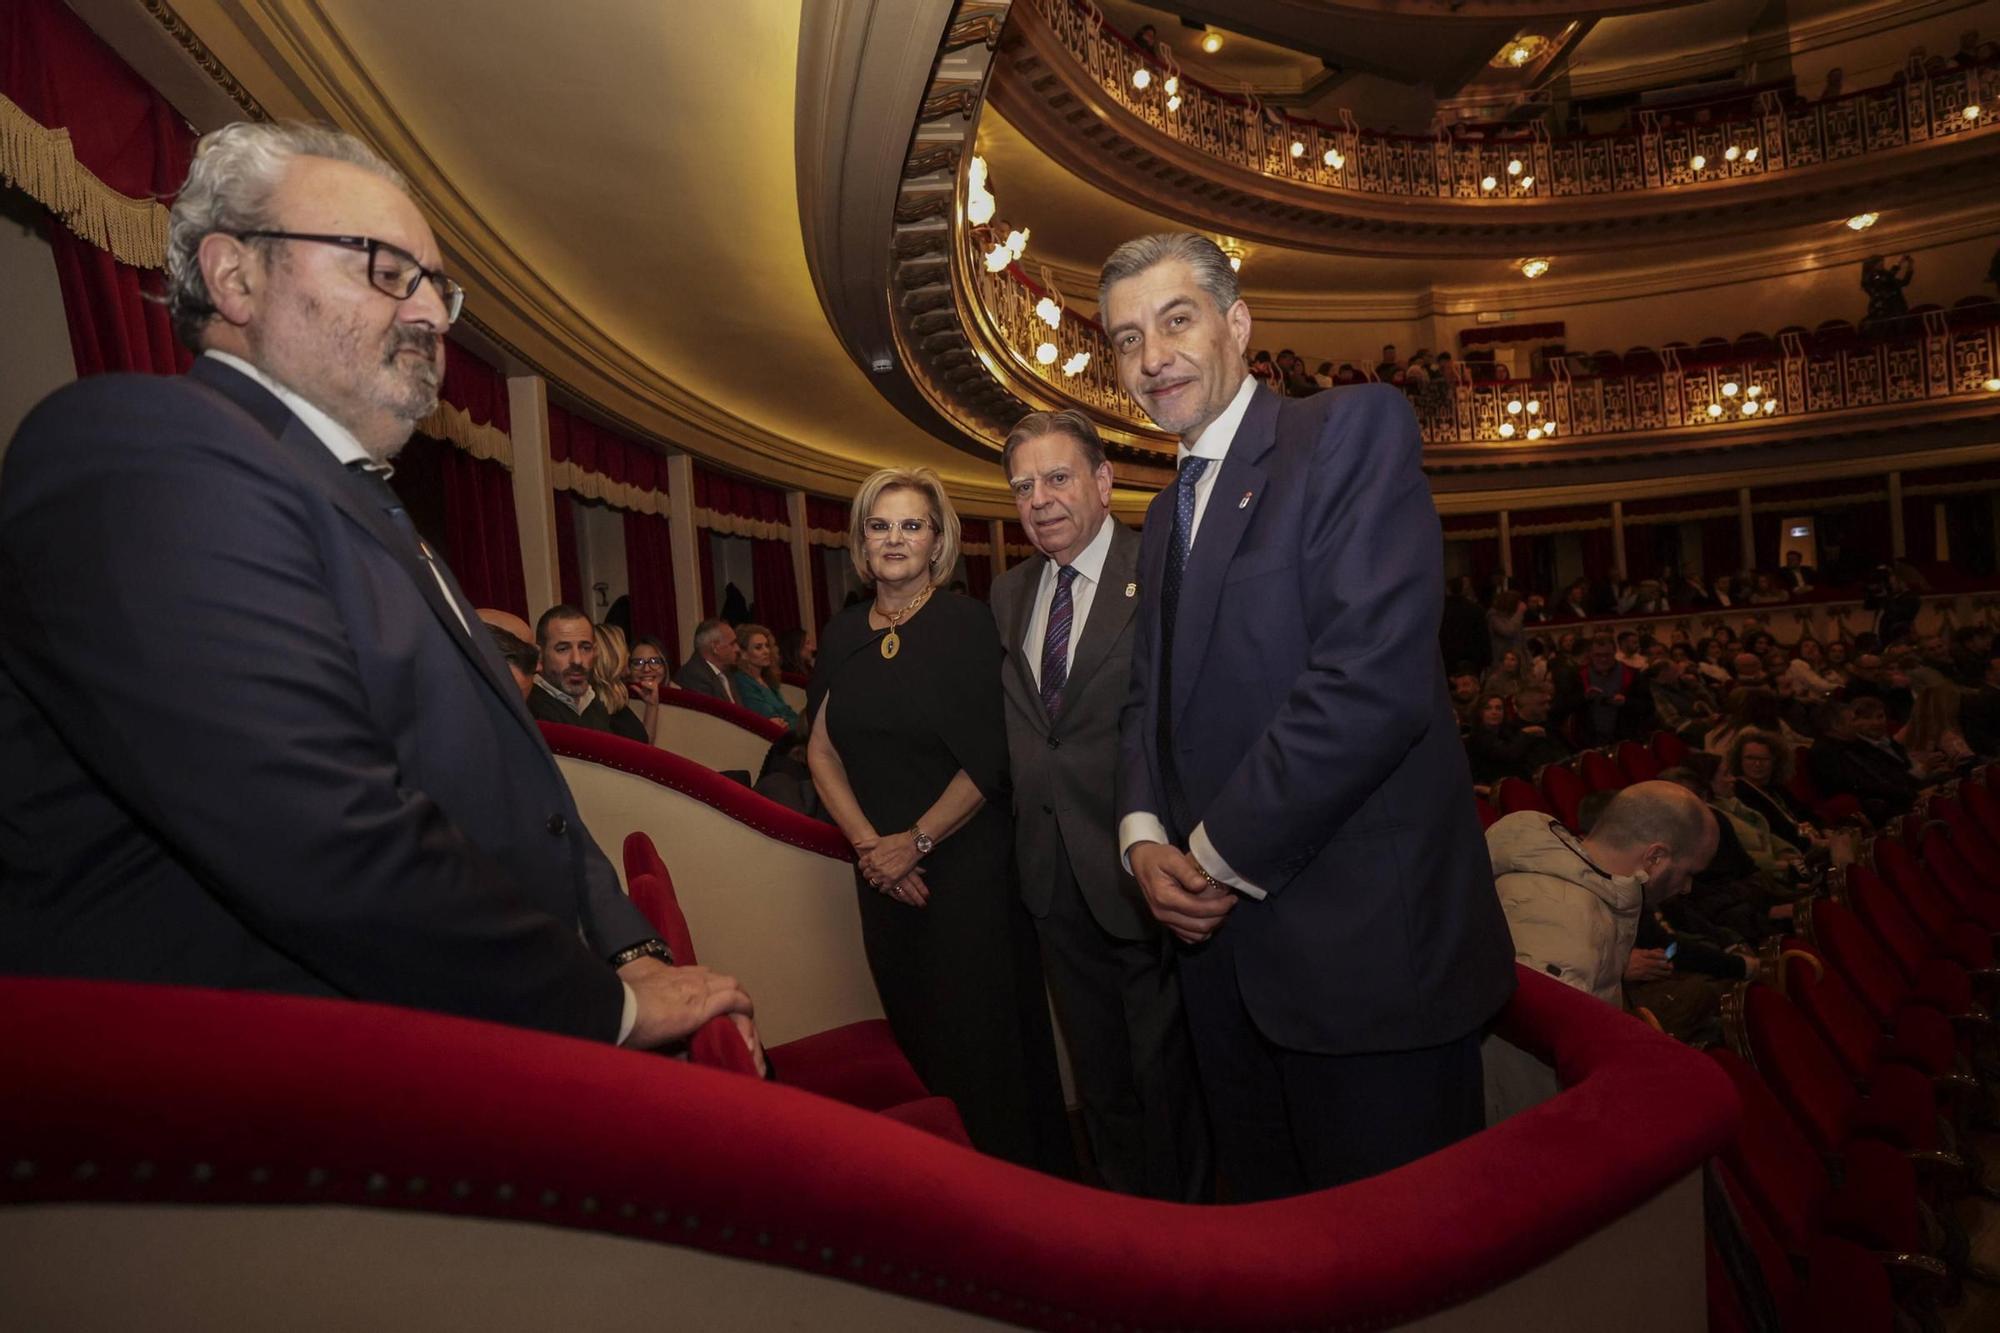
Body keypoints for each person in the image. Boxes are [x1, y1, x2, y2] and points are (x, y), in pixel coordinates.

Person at [0, 121, 758, 1061]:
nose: (433, 317)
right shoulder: (147, 450)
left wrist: (629, 944)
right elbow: (321, 837)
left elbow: (534, 795)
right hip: (290, 1112)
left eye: (437, 286)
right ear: (235, 277)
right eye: (384, 268)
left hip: (470, 1041)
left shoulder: (359, 501)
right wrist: (611, 1007)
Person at [1099, 232, 1514, 1199]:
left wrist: (1206, 857)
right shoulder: (1162, 516)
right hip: (1223, 974)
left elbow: (1370, 685)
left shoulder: (1347, 432)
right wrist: (1142, 835)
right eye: (1125, 340)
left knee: (1401, 1272)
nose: (1150, 357)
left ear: (1236, 324)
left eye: (1175, 320)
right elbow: (1146, 702)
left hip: (1366, 972)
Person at [805, 467, 1070, 1173]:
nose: (894, 539)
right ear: (862, 542)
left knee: (984, 1043)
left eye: (911, 525)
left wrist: (915, 841)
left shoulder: (968, 625)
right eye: (879, 525)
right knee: (917, 1033)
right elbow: (820, 749)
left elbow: (991, 757)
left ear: (938, 541)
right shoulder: (839, 634)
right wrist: (872, 849)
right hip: (883, 877)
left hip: (967, 870)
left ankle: (1016, 1192)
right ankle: (943, 1190)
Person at [989, 410, 1207, 1200]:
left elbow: (1188, 715)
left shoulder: (1160, 571)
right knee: (1102, 1080)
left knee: (1169, 1078)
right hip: (1050, 876)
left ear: (1104, 481)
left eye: (1057, 478)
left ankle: (1190, 1233)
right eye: (1022, 485)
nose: (1039, 499)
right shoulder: (1007, 593)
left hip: (1144, 868)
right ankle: (1126, 1234)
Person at [1483, 783, 1717, 1121]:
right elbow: (1526, 1093)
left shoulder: (1583, 892)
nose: (1687, 888)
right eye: (1689, 872)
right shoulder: (1564, 931)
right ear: (1655, 858)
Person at [525, 605, 646, 742]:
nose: (577, 660)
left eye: (585, 648)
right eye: (563, 649)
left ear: (595, 652)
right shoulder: (530, 708)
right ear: (539, 655)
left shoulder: (592, 701)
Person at [589, 621, 652, 743]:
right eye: (624, 646)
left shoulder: (615, 697)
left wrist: (651, 707)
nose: (628, 653)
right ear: (614, 655)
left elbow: (644, 745)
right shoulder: (596, 707)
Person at [730, 622, 801, 730]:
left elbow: (787, 711)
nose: (766, 651)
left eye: (767, 646)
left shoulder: (766, 678)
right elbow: (767, 716)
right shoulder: (742, 681)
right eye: (758, 648)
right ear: (743, 654)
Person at [675, 617, 743, 705]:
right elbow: (709, 716)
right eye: (732, 644)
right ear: (715, 647)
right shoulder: (694, 676)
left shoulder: (727, 672)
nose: (737, 649)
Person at [624, 634, 672, 741]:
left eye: (654, 661)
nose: (646, 669)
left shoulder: (682, 696)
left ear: (665, 667)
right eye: (638, 663)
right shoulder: (620, 702)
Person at [1487, 588, 1527, 668]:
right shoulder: (1494, 617)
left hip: (1518, 661)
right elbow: (1508, 631)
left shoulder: (1514, 618)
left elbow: (1522, 642)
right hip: (1502, 662)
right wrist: (1519, 613)